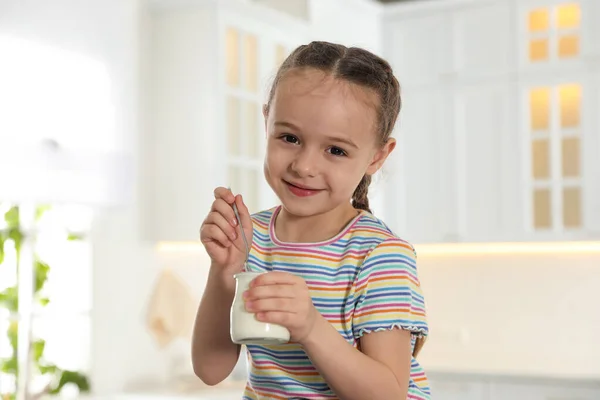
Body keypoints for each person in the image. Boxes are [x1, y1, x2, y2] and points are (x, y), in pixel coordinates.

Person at [193, 41, 430, 400]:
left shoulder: (380, 256)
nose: (304, 166)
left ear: (377, 156)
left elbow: (389, 394)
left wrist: (310, 327)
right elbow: (210, 370)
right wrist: (225, 272)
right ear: (266, 121)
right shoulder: (251, 238)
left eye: (336, 150)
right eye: (289, 138)